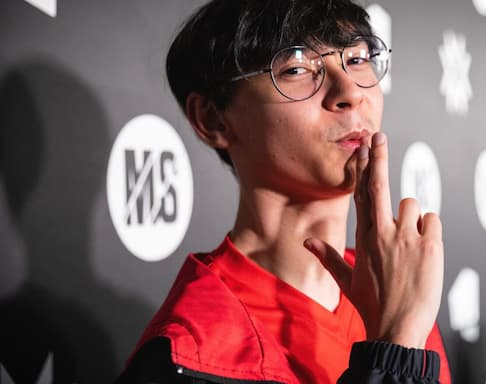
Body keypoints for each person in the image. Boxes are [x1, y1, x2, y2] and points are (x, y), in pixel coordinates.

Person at [115, 0, 452, 383]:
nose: (351, 93)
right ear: (212, 119)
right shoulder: (190, 355)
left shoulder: (395, 284)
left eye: (357, 59)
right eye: (297, 69)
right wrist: (395, 347)